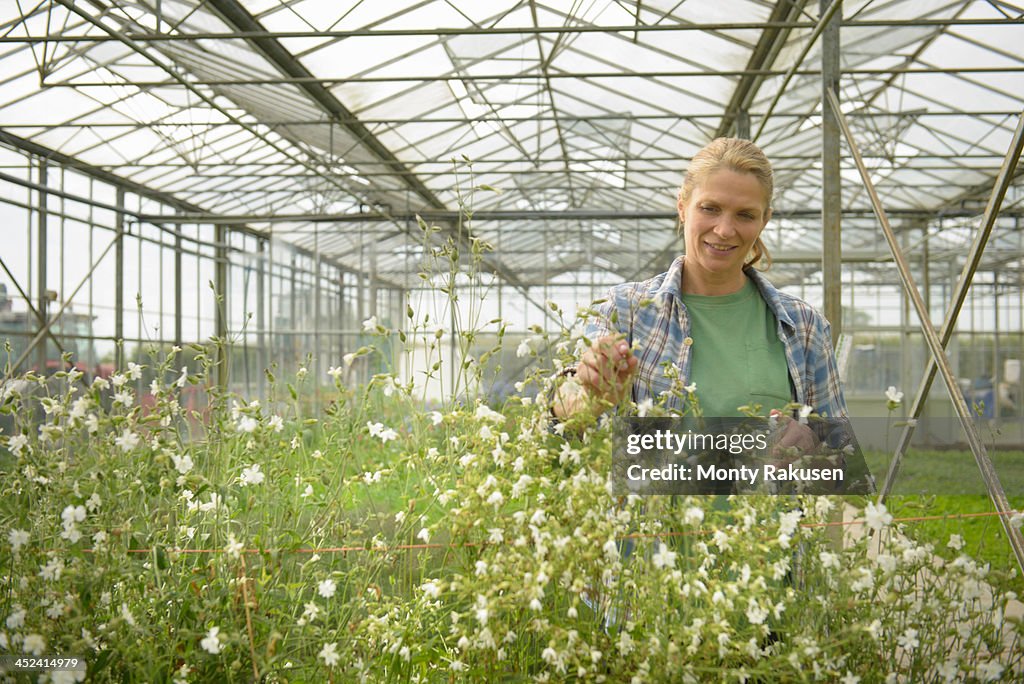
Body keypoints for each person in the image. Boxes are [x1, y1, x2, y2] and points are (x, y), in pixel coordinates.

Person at [552, 137, 847, 455]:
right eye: (710, 208)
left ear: (764, 220)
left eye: (745, 215)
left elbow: (842, 461)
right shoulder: (625, 311)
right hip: (655, 507)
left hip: (768, 505)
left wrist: (812, 450)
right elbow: (565, 419)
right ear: (682, 206)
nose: (724, 229)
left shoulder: (803, 326)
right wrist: (584, 399)